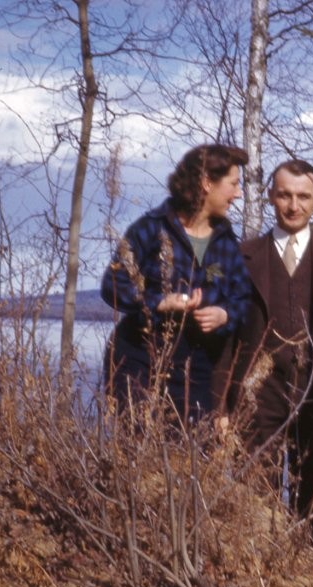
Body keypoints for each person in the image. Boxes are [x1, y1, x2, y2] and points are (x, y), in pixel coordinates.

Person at [229, 159, 313, 543]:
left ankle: (309, 571)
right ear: (271, 195)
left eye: (303, 196)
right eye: (285, 194)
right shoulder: (243, 256)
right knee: (255, 497)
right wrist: (225, 404)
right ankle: (257, 578)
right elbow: (228, 339)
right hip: (258, 396)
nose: (293, 205)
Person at [101, 143, 252, 422]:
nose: (238, 193)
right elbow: (112, 286)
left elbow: (243, 299)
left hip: (196, 371)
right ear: (207, 183)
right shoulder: (150, 228)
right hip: (138, 362)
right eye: (233, 184)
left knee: (191, 457)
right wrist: (159, 303)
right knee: (137, 451)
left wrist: (224, 315)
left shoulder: (226, 241)